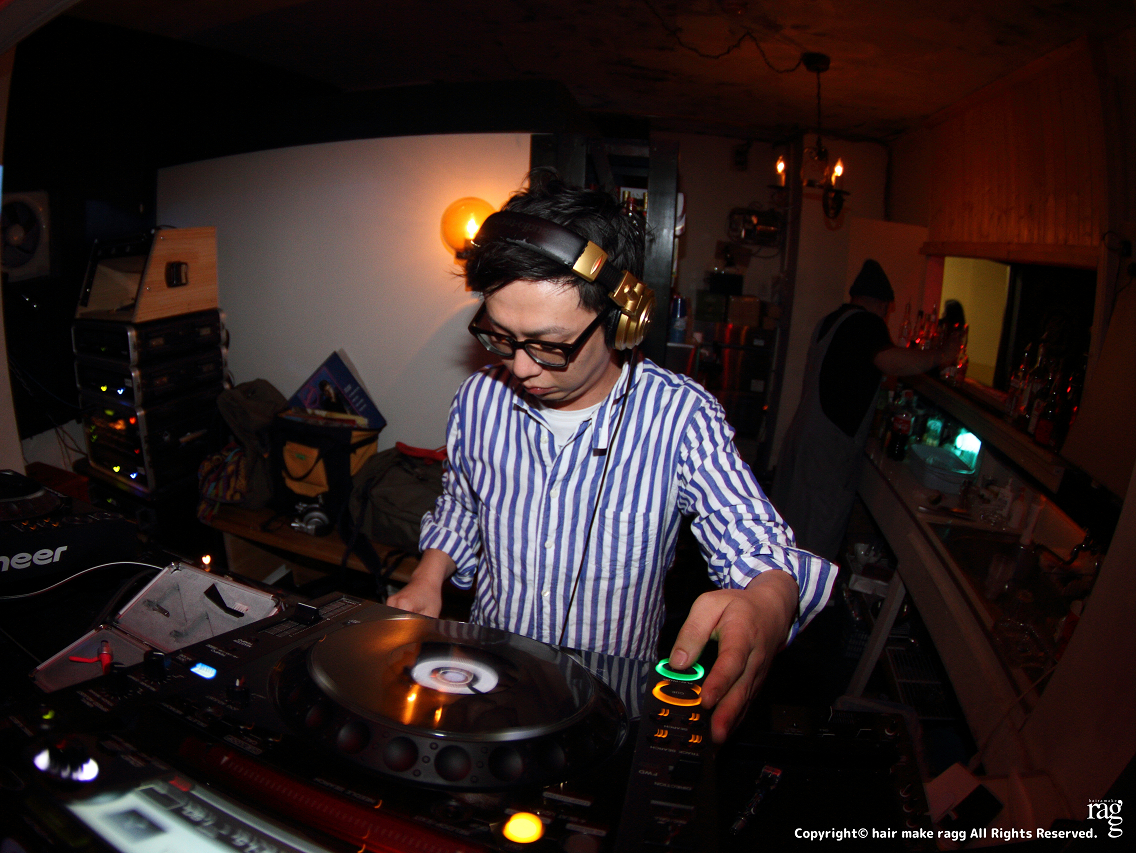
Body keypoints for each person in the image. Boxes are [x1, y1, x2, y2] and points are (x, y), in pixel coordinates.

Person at [387, 172, 836, 744]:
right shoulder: (479, 398)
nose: (521, 367)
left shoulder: (681, 417)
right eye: (501, 336)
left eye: (550, 345)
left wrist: (770, 601)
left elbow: (753, 539)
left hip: (608, 703)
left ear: (623, 323)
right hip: (488, 680)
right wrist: (429, 576)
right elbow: (462, 506)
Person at [770, 259, 960, 560]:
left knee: (790, 528)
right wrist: (941, 356)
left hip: (803, 436)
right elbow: (890, 361)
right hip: (828, 450)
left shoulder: (831, 320)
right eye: (887, 310)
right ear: (882, 304)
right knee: (815, 540)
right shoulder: (867, 324)